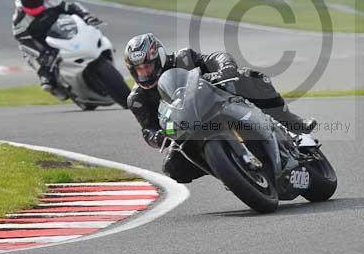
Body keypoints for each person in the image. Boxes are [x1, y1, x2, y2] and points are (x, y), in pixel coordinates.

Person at [123, 33, 317, 183]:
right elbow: (148, 129)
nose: (145, 73)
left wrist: (225, 68)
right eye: (139, 70)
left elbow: (216, 58)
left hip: (218, 101)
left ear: (160, 57)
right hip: (187, 129)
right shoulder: (137, 99)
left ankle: (292, 123)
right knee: (173, 168)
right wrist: (156, 137)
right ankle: (231, 172)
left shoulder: (184, 58)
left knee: (251, 77)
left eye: (148, 66)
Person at [12, 0, 102, 92]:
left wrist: (86, 16)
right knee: (27, 53)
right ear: (21, 0)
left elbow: (72, 7)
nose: (32, 4)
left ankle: (97, 49)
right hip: (42, 43)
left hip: (62, 31)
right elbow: (23, 40)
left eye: (36, 0)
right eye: (29, 1)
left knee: (89, 24)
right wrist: (41, 54)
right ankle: (44, 76)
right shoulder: (19, 18)